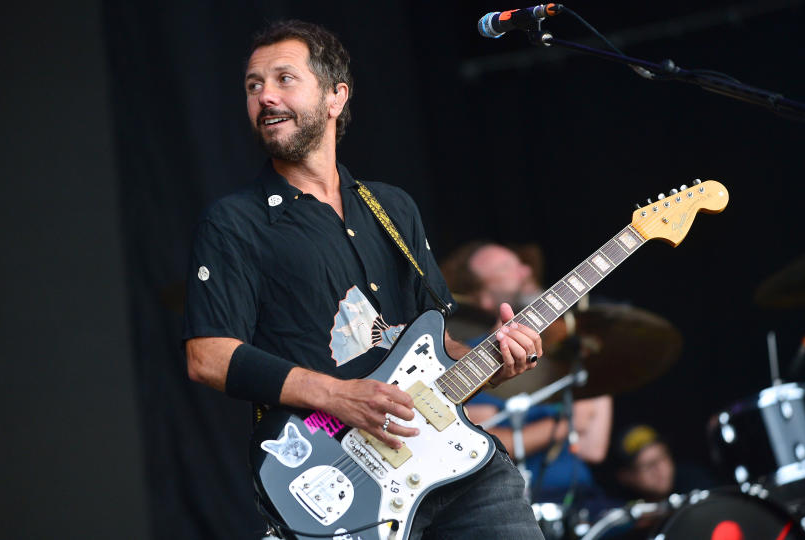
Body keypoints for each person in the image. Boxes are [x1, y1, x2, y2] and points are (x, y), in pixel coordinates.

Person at [182, 20, 544, 539]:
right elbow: (208, 354)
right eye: (253, 85)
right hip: (338, 476)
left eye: (285, 79)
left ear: (335, 97)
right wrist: (335, 395)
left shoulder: (392, 206)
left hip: (454, 467)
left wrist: (499, 361)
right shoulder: (235, 221)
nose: (265, 97)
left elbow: (436, 345)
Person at [441, 242, 614, 508]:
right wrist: (571, 423)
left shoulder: (565, 359)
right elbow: (481, 443)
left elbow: (594, 448)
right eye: (506, 269)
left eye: (521, 264)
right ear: (484, 298)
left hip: (583, 502)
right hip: (523, 502)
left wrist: (594, 365)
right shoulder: (467, 360)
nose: (525, 272)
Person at [611, 424, 716, 502]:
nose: (659, 469)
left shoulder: (697, 483)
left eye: (662, 457)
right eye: (648, 465)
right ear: (626, 476)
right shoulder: (620, 510)